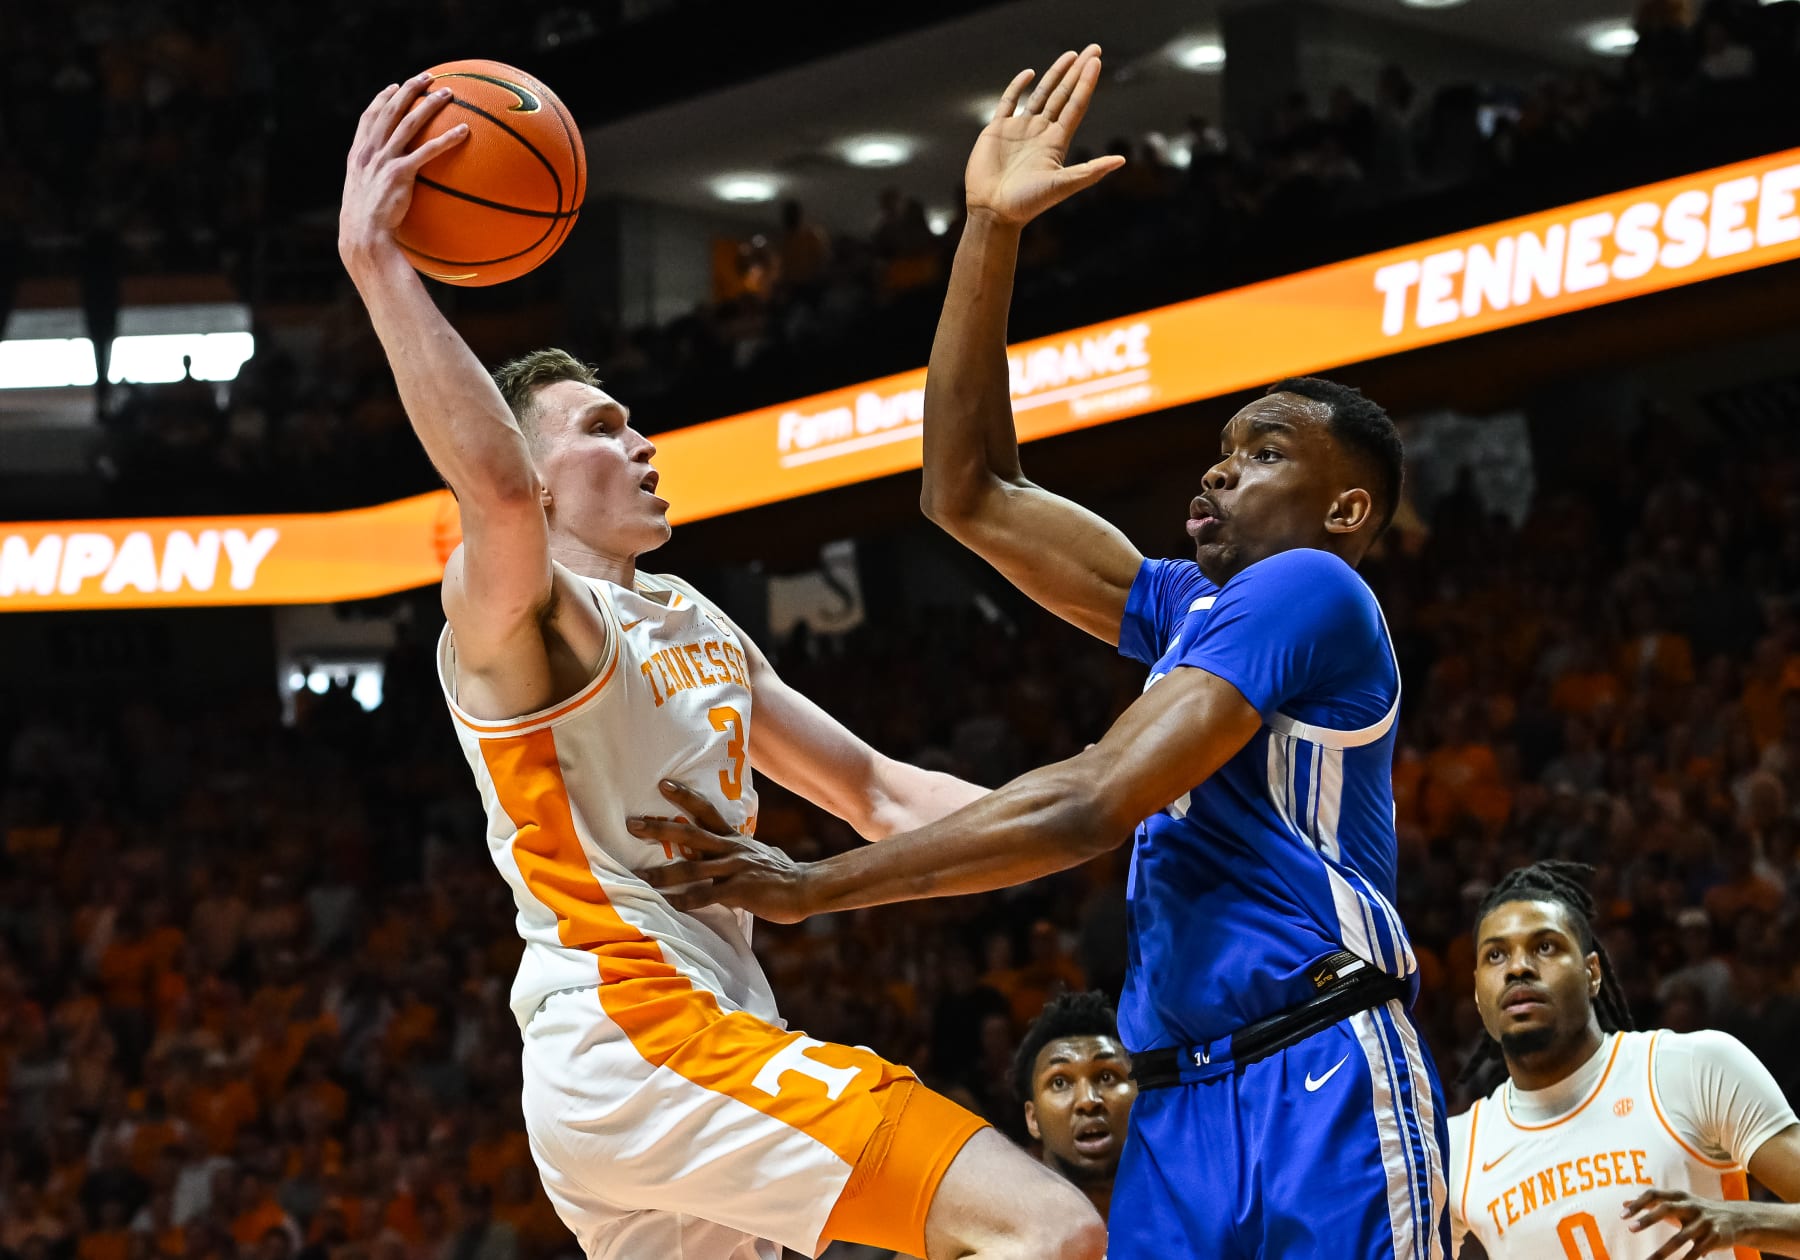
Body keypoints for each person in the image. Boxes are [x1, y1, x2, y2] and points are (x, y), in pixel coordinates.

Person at [638, 45, 1448, 1259]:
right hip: (1172, 1099)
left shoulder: (1313, 587)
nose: (1222, 465)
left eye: (1267, 450)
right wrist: (988, 231)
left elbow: (1090, 803)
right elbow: (966, 491)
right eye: (1221, 447)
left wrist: (813, 888)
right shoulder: (1185, 605)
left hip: (1318, 1063)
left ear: (1345, 512)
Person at [337, 75, 1104, 1260]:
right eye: (598, 428)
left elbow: (881, 796)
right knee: (1046, 1231)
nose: (638, 442)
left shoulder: (691, 615)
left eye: (632, 420)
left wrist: (1119, 818)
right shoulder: (523, 623)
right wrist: (382, 265)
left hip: (671, 1061)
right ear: (539, 483)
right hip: (643, 1035)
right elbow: (487, 486)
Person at [1449, 861, 1800, 1259]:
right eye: (1495, 955)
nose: (1518, 967)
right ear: (1478, 995)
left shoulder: (1691, 1068)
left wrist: (1744, 1221)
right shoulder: (1458, 1148)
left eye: (1545, 946)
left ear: (1592, 973)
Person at [1009, 992, 1136, 1223]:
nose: (1088, 1101)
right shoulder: (1000, 1229)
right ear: (1033, 1118)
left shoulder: (1195, 1211)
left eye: (1107, 1076)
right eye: (1060, 1082)